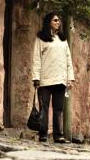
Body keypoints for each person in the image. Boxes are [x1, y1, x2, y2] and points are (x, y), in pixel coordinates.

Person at [32, 12, 75, 143]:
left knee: (58, 109)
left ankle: (58, 135)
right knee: (44, 107)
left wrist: (70, 78)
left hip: (60, 80)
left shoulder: (63, 40)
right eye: (55, 20)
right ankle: (43, 134)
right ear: (48, 22)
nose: (58, 22)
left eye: (59, 21)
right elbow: (36, 58)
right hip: (45, 79)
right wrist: (36, 77)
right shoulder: (41, 38)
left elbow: (68, 59)